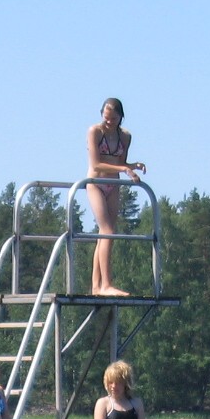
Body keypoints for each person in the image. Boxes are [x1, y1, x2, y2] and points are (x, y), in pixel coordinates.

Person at [86, 97, 146, 297]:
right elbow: (96, 164)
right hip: (96, 183)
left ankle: (96, 286)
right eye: (106, 117)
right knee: (107, 231)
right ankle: (106, 284)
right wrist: (124, 169)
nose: (109, 121)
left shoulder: (125, 136)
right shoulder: (95, 131)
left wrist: (133, 166)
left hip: (114, 185)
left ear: (121, 117)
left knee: (105, 234)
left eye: (113, 118)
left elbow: (121, 162)